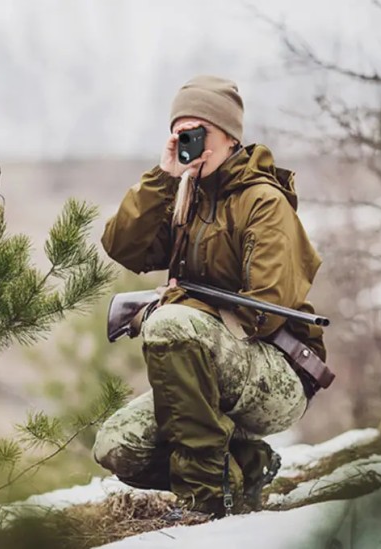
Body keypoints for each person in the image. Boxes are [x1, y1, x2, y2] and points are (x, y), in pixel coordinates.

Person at [94, 75, 327, 518]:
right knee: (116, 447)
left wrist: (175, 305)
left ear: (230, 137)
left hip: (278, 375)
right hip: (212, 373)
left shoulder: (262, 201)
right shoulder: (186, 198)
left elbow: (265, 308)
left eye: (198, 133)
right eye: (181, 133)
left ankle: (204, 500)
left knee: (168, 322)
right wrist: (164, 179)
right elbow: (123, 247)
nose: (189, 143)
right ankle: (247, 466)